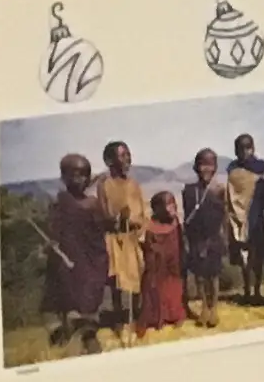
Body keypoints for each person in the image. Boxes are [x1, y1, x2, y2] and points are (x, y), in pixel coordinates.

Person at [41, 152, 107, 354]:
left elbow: (100, 228)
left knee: (88, 297)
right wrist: (50, 244)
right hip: (66, 257)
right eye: (73, 175)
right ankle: (64, 332)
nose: (79, 180)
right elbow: (53, 228)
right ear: (63, 177)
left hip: (91, 258)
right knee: (65, 295)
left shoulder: (93, 204)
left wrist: (118, 221)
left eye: (83, 175)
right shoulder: (60, 202)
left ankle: (89, 335)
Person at [94, 139, 149, 341]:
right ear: (109, 160)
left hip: (132, 239)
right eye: (122, 155)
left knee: (135, 280)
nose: (127, 159)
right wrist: (119, 218)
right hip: (114, 240)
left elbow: (142, 211)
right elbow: (103, 215)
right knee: (117, 283)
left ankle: (132, 321)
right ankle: (120, 321)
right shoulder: (104, 185)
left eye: (128, 154)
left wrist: (139, 226)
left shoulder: (134, 184)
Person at [180, 149, 233, 330]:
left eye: (210, 164)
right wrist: (188, 240)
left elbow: (225, 215)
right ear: (196, 167)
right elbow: (188, 217)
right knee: (200, 276)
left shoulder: (220, 190)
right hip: (197, 239)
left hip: (214, 238)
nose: (206, 168)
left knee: (214, 275)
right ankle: (204, 306)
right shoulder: (189, 191)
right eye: (202, 164)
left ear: (216, 167)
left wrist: (225, 238)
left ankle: (214, 308)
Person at [228, 133, 264, 306]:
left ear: (253, 148)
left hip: (257, 219)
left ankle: (257, 291)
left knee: (258, 258)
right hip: (238, 219)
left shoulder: (261, 168)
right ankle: (246, 291)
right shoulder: (232, 170)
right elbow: (231, 194)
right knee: (243, 258)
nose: (244, 152)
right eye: (240, 148)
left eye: (247, 148)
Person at [139, 187, 187, 333]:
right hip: (158, 268)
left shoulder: (175, 222)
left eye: (173, 203)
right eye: (168, 204)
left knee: (174, 289)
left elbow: (179, 242)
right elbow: (149, 248)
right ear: (158, 208)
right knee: (156, 289)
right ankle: (157, 318)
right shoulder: (151, 227)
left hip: (173, 265)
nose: (172, 207)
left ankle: (174, 315)